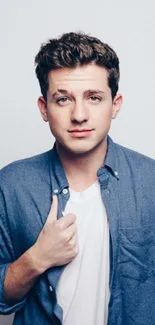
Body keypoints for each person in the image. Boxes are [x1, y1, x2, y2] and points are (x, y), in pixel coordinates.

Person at [0, 32, 155, 325]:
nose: (79, 114)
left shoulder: (151, 182)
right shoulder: (11, 185)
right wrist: (36, 259)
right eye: (63, 99)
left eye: (94, 98)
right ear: (44, 108)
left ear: (116, 104)